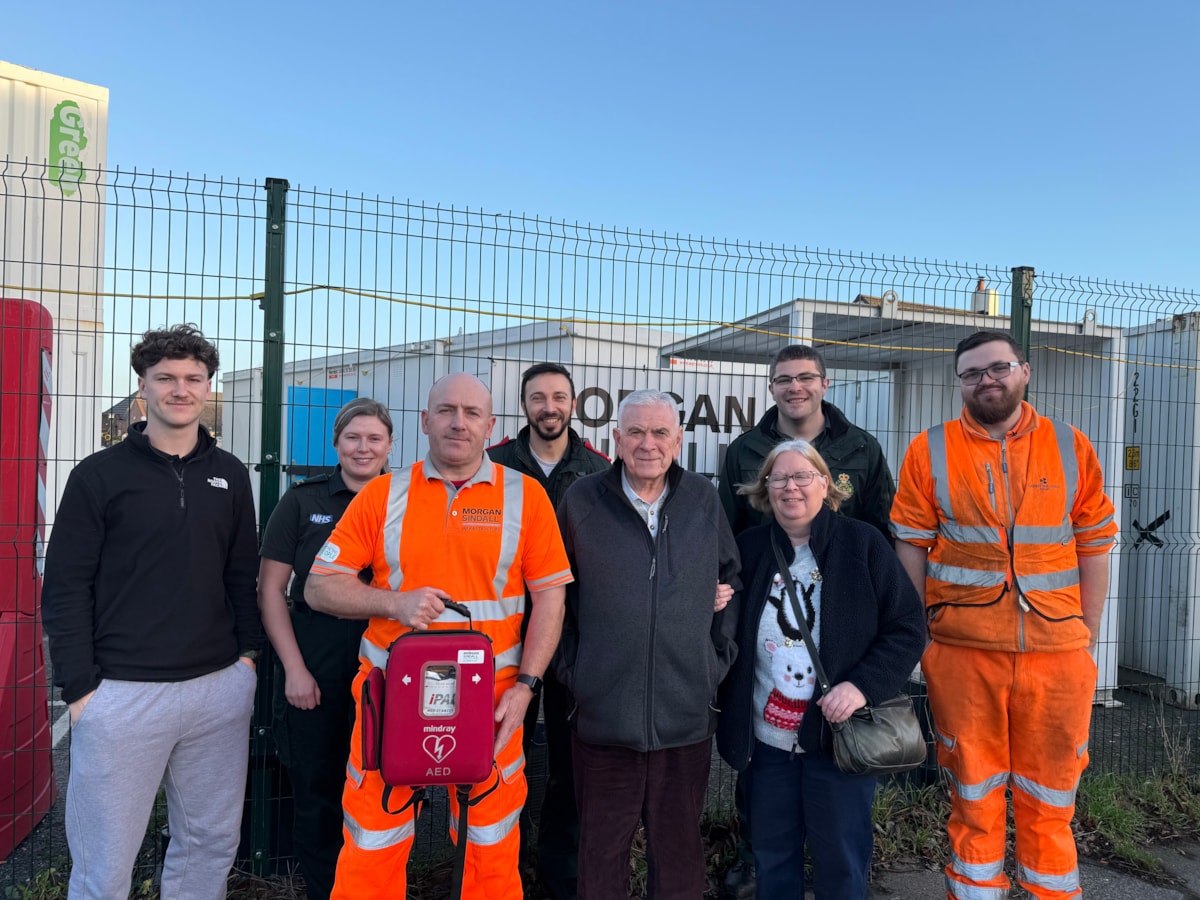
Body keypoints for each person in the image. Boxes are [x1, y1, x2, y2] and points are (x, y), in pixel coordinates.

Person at [306, 373, 573, 900]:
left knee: (491, 844)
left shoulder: (526, 497)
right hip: (391, 694)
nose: (458, 422)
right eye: (446, 410)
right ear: (424, 422)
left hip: (493, 700)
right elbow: (318, 587)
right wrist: (392, 602)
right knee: (372, 836)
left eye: (472, 413)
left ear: (492, 425)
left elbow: (551, 598)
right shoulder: (384, 495)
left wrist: (526, 687)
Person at [891, 331, 1118, 900]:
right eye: (972, 373)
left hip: (1057, 654)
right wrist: (919, 638)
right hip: (963, 651)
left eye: (998, 368)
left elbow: (1094, 542)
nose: (986, 380)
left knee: (1052, 797)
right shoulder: (930, 448)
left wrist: (1084, 634)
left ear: (1025, 371)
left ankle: (1052, 891)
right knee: (973, 794)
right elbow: (910, 546)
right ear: (960, 383)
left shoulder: (1070, 445)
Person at [42, 324, 263, 900]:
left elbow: (243, 575)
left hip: (218, 689)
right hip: (121, 695)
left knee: (209, 845)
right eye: (166, 377)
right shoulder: (98, 475)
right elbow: (65, 587)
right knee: (104, 864)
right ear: (143, 385)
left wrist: (246, 661)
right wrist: (81, 690)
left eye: (193, 378)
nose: (180, 389)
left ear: (208, 386)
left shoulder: (232, 475)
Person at [717, 343, 897, 898]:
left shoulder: (861, 458)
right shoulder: (745, 461)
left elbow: (900, 615)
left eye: (806, 378)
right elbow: (722, 549)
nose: (791, 488)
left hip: (834, 726)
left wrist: (862, 681)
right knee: (772, 854)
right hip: (765, 727)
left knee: (841, 858)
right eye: (778, 480)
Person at [555, 389, 741, 900]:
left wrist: (712, 663)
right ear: (615, 438)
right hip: (602, 716)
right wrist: (577, 674)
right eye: (635, 432)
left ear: (678, 440)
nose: (647, 444)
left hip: (685, 715)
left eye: (660, 432)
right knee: (600, 853)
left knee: (680, 853)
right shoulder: (581, 501)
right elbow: (555, 597)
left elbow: (731, 580)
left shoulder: (704, 498)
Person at [258, 398, 393, 900]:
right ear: (335, 444)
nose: (363, 448)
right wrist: (294, 670)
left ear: (390, 446)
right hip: (315, 661)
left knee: (383, 794)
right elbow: (270, 589)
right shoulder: (300, 502)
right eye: (353, 438)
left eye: (374, 439)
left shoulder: (407, 499)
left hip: (386, 665)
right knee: (317, 797)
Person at [486, 362, 609, 900]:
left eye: (559, 396)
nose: (549, 406)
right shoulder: (490, 465)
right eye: (538, 397)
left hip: (572, 639)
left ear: (574, 405)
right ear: (524, 406)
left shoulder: (601, 468)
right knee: (493, 762)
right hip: (500, 639)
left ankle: (562, 880)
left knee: (568, 767)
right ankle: (499, 875)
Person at [719, 344, 894, 539]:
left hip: (845, 567)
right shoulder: (743, 450)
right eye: (784, 380)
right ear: (771, 389)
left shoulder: (863, 448)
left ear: (825, 385)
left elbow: (882, 529)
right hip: (766, 567)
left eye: (806, 378)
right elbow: (725, 532)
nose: (795, 387)